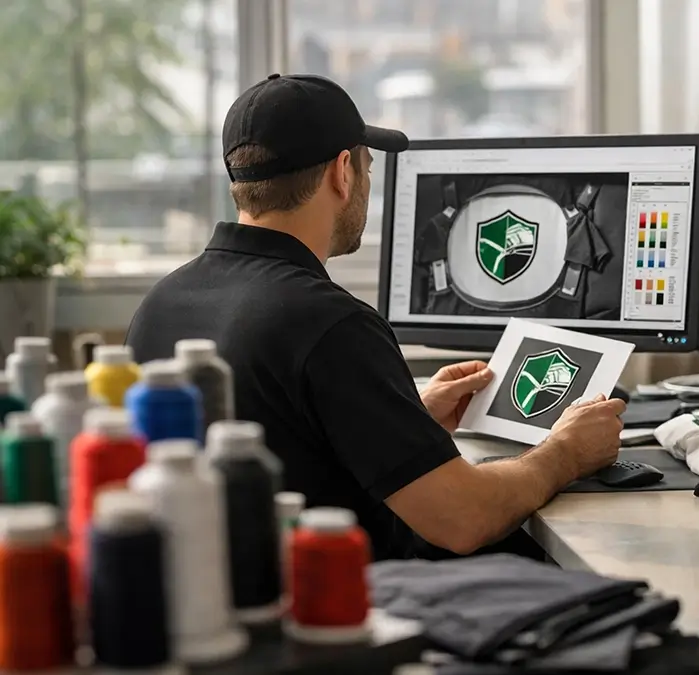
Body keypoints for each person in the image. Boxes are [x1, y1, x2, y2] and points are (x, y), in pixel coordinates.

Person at [125, 74, 625, 560]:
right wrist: (566, 452)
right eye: (368, 167)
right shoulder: (330, 323)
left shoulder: (161, 303)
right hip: (352, 595)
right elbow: (465, 518)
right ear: (342, 173)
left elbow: (286, 442)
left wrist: (406, 419)